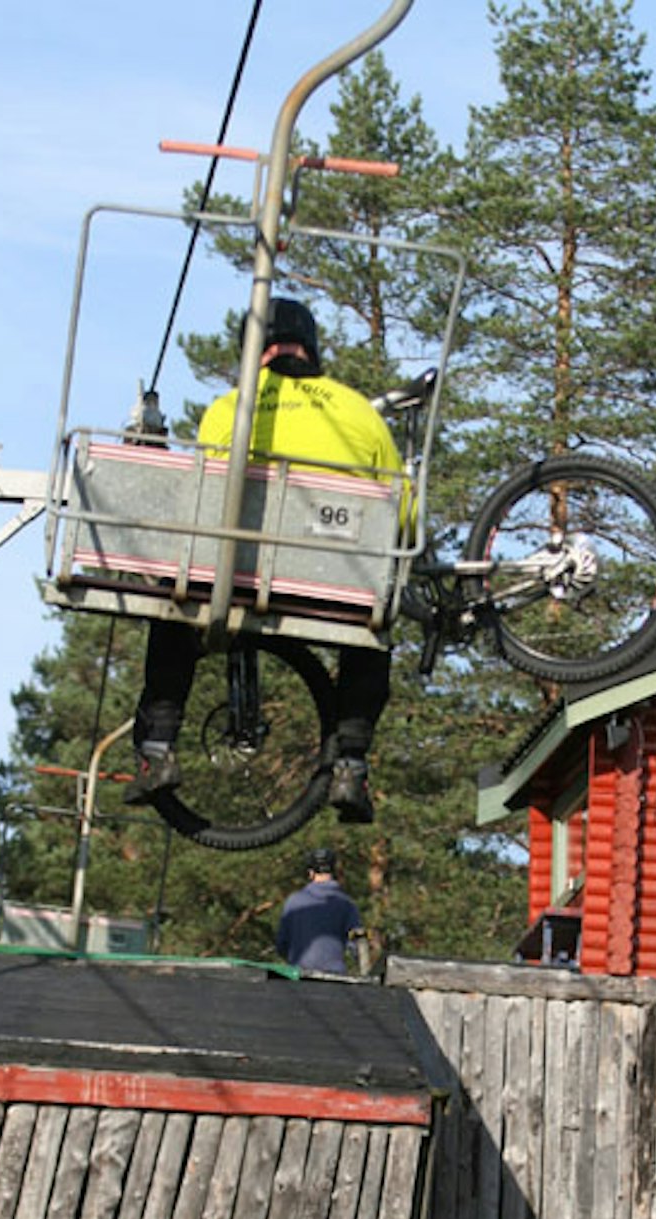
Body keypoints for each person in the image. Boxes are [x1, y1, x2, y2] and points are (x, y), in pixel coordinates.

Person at [125, 297, 402, 825]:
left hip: (239, 574)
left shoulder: (230, 408)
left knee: (173, 618)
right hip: (334, 585)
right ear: (310, 347)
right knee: (373, 633)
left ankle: (156, 749)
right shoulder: (358, 412)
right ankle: (350, 764)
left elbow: (205, 494)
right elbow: (401, 508)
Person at [276, 847, 362, 974]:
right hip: (334, 977)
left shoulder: (293, 902)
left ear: (311, 873)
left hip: (299, 976)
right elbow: (357, 946)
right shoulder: (347, 904)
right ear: (334, 871)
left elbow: (282, 944)